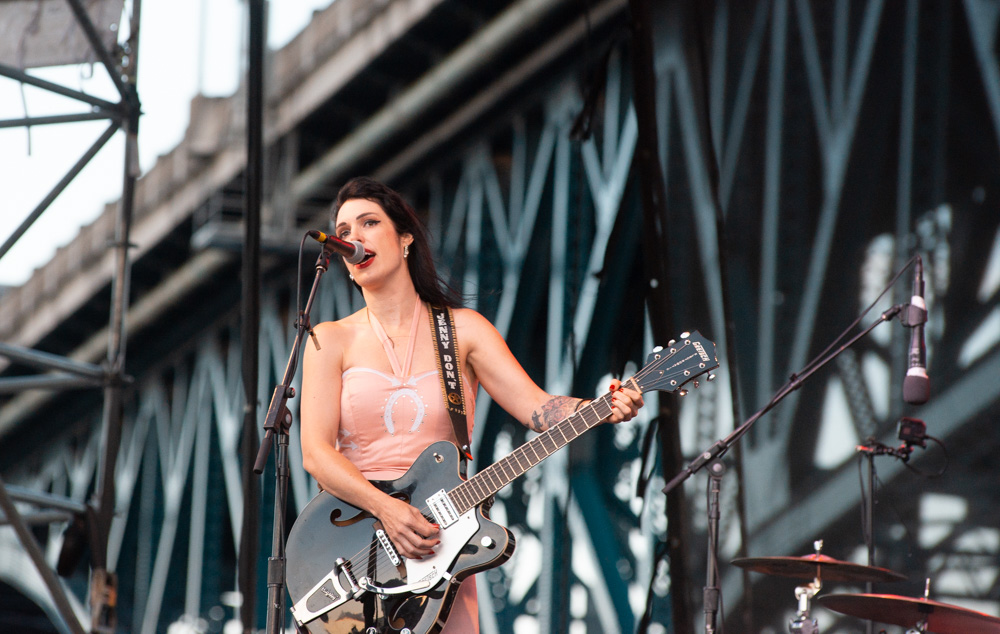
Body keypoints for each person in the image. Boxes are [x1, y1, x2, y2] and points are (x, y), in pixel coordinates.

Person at [299, 176, 644, 633]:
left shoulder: (462, 330)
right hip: (355, 546)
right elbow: (315, 454)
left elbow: (539, 410)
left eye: (368, 222)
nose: (353, 238)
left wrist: (602, 405)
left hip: (440, 547)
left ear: (405, 239)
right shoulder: (330, 338)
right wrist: (388, 510)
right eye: (345, 230)